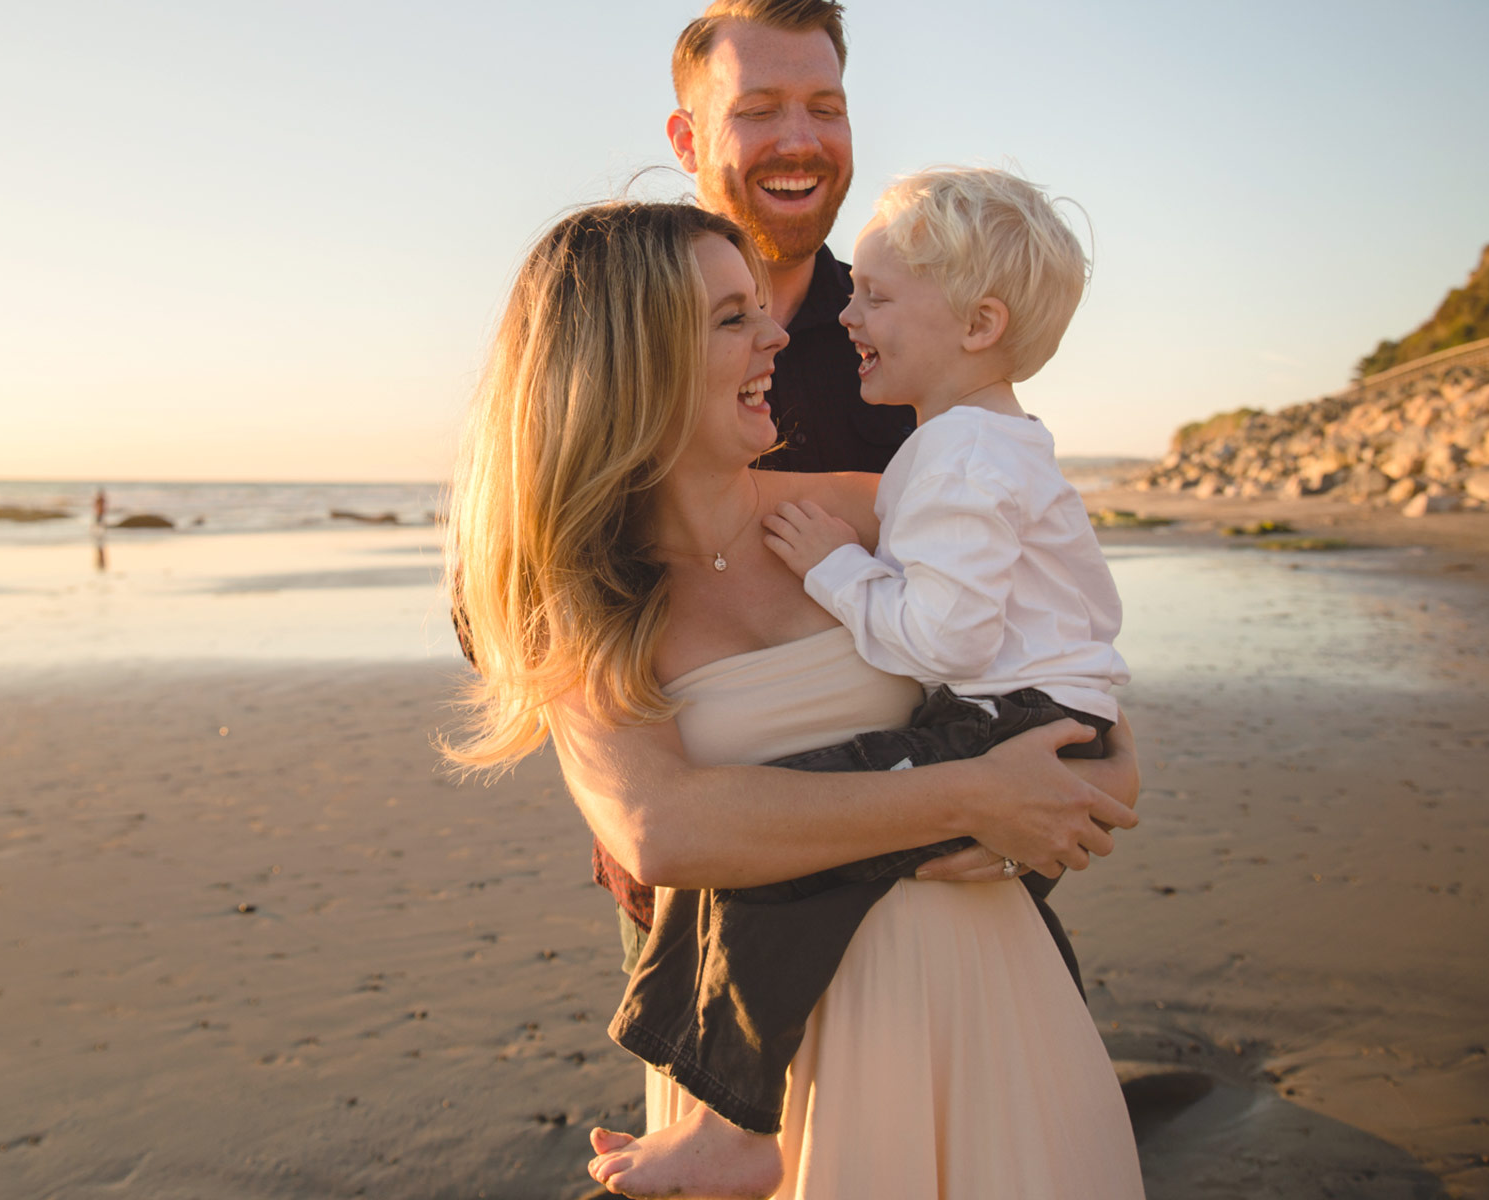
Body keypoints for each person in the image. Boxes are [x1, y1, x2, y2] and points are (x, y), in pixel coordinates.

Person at [444, 202, 1143, 1198]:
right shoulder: (583, 596)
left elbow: (1053, 638)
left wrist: (1111, 764)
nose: (779, 333)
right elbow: (659, 827)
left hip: (987, 1001)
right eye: (733, 319)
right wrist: (976, 796)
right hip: (759, 1070)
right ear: (631, 362)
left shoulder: (865, 506)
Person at [583, 0, 1098, 1015]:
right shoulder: (605, 335)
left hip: (952, 853)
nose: (801, 140)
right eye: (760, 108)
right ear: (687, 138)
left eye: (827, 105)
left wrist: (1100, 767)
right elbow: (512, 592)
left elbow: (1039, 571)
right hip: (710, 899)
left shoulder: (916, 329)